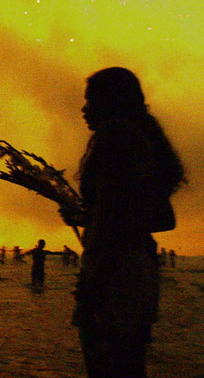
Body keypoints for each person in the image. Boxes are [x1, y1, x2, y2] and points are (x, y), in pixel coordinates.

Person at [59, 67, 185, 377]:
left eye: (90, 101)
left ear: (111, 102)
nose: (84, 108)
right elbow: (161, 218)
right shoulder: (142, 143)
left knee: (105, 364)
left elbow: (113, 227)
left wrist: (94, 284)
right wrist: (90, 215)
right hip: (140, 270)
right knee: (129, 366)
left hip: (114, 273)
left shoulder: (114, 137)